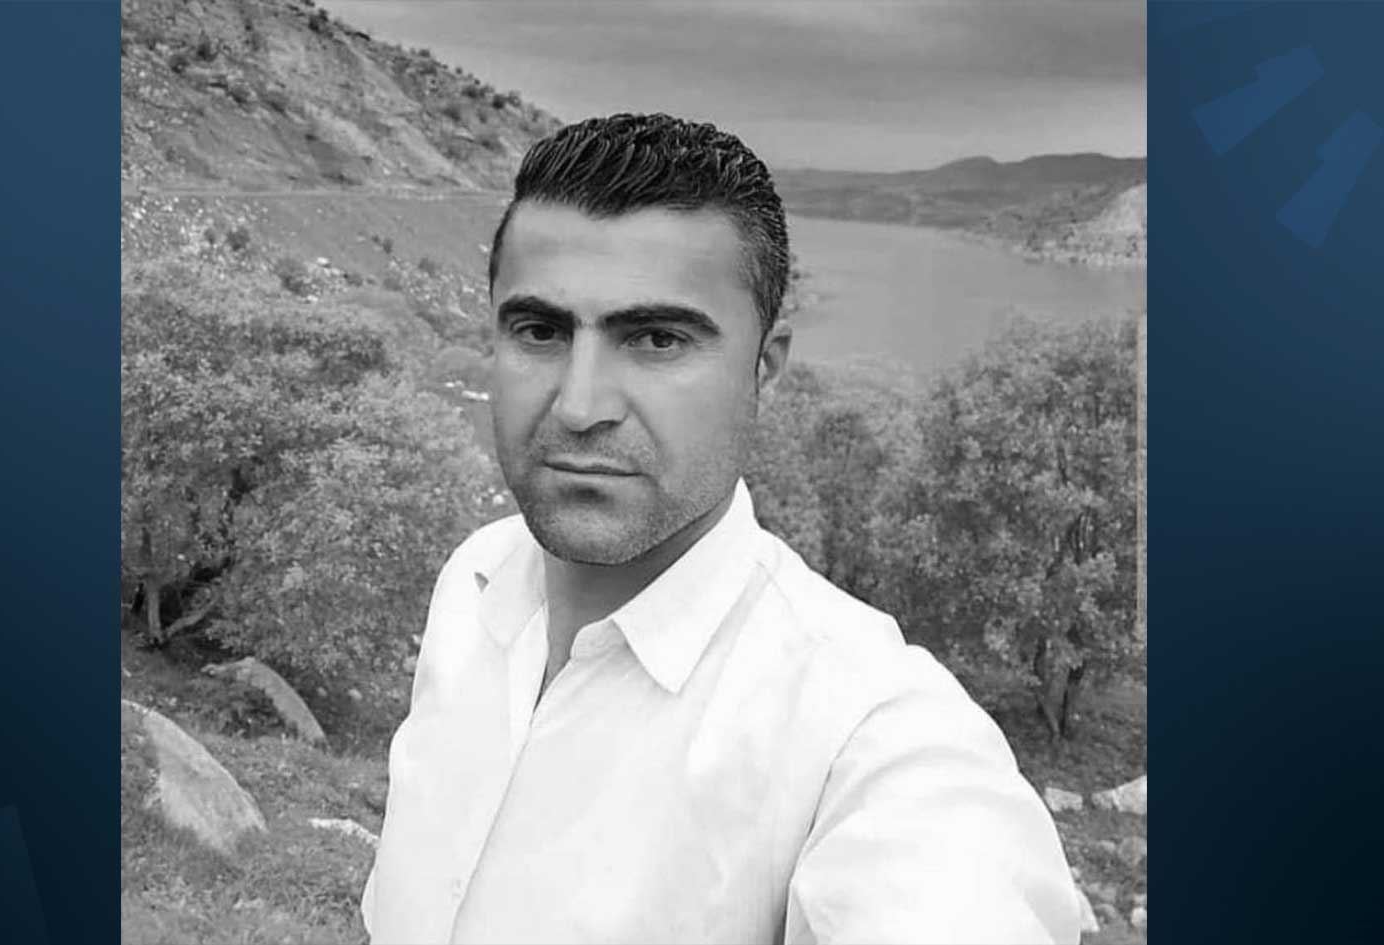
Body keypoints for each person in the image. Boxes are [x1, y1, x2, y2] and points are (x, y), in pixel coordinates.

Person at [360, 113, 1079, 945]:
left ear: (763, 368)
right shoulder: (474, 580)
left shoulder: (866, 734)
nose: (581, 405)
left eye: (656, 338)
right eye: (540, 331)